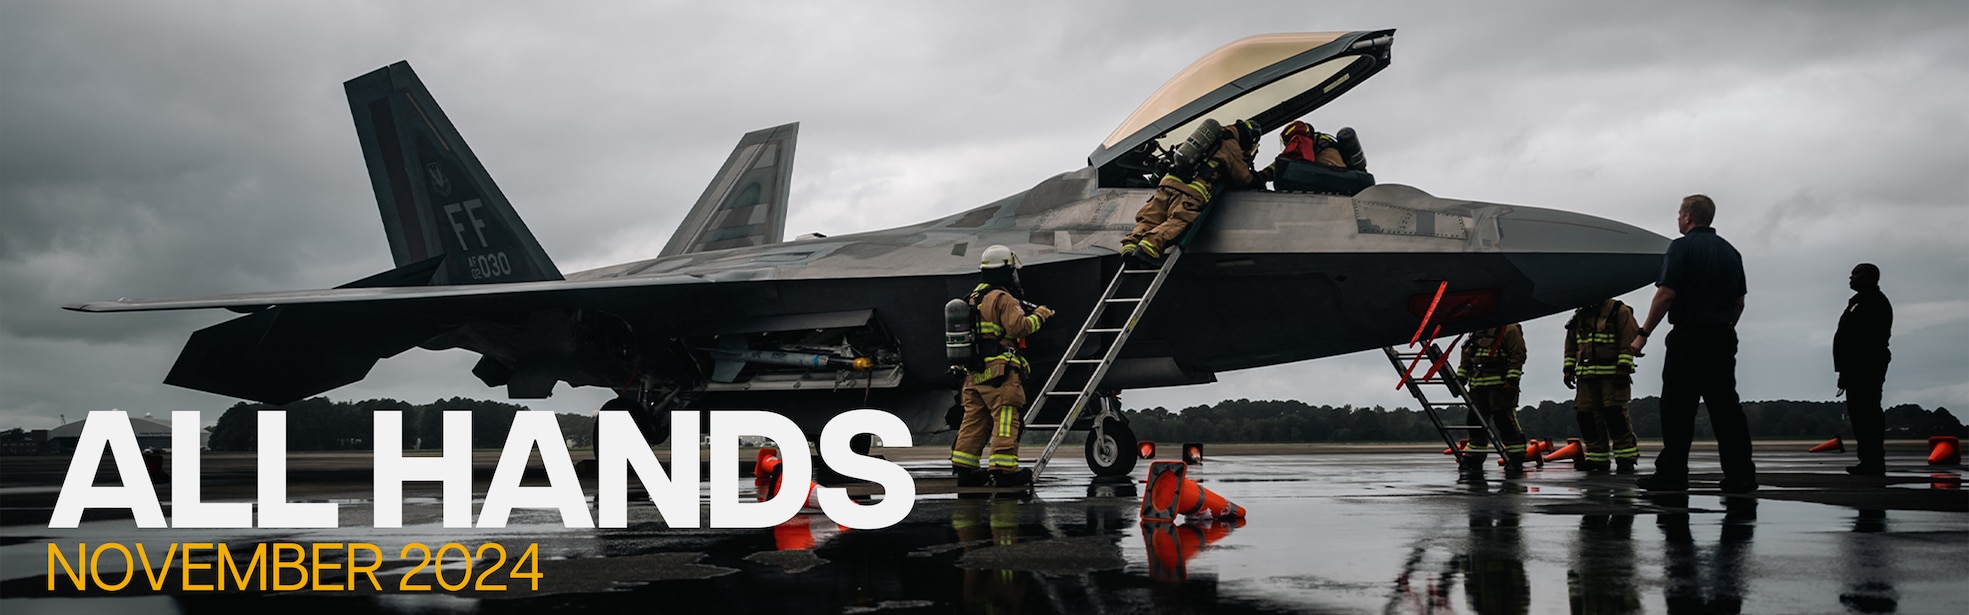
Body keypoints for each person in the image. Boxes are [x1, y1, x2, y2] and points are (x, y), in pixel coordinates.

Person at [1631, 194, 1755, 493]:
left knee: (1677, 408)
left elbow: (1666, 294)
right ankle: (1741, 475)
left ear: (1687, 217)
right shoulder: (1731, 252)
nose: (1678, 218)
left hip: (1689, 337)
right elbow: (1739, 301)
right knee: (1726, 408)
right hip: (1721, 336)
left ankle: (1672, 474)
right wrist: (1725, 329)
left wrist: (1643, 333)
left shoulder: (1681, 247)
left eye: (1679, 213)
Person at [950, 245, 1052, 488]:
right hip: (1000, 372)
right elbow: (1019, 328)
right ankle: (1005, 472)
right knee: (1006, 418)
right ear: (1006, 270)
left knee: (974, 420)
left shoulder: (974, 296)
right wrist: (1041, 315)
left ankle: (966, 470)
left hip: (975, 374)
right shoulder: (1003, 298)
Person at [1120, 119, 1262, 263]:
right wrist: (1259, 178)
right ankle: (1149, 249)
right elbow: (1243, 178)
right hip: (1191, 190)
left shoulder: (1209, 137)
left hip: (1168, 183)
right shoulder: (1230, 145)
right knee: (1179, 220)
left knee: (1151, 217)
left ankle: (1130, 246)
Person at [1564, 298, 1643, 474]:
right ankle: (1597, 458)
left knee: (1615, 416)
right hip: (1586, 376)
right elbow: (1571, 343)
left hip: (1613, 376)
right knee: (1586, 417)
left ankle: (1625, 458)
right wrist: (1568, 368)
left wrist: (1624, 367)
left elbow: (1628, 339)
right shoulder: (1580, 314)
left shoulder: (1619, 311)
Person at [1835, 263, 1893, 476]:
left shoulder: (1874, 302)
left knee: (1867, 413)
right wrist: (1843, 371)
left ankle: (1873, 461)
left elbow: (1867, 338)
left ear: (1871, 277)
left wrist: (1853, 365)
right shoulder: (1858, 302)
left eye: (1856, 274)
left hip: (1866, 365)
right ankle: (1868, 459)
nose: (1851, 277)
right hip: (1854, 366)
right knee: (1859, 415)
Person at [1455, 323, 1529, 474]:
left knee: (1505, 422)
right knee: (1474, 424)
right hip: (1477, 388)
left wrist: (1512, 381)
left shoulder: (1509, 329)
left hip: (1501, 388)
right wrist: (1460, 379)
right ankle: (1474, 457)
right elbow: (1467, 356)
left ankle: (1516, 457)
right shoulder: (1477, 330)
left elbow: (1518, 354)